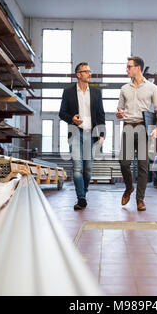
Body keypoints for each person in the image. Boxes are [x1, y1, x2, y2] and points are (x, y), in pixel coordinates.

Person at [116, 56, 157, 211]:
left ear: (138, 68)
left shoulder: (152, 88)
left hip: (144, 128)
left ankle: (140, 199)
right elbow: (120, 109)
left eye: (129, 67)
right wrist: (119, 114)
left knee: (143, 166)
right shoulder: (124, 89)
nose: (127, 69)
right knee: (124, 162)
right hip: (128, 127)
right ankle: (129, 187)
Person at [59, 62, 106, 210]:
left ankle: (83, 193)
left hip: (91, 134)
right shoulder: (68, 92)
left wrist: (102, 133)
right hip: (75, 132)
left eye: (90, 71)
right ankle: (81, 198)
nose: (89, 74)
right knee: (77, 167)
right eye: (86, 71)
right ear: (78, 74)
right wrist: (71, 118)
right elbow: (62, 113)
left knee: (88, 169)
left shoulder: (96, 93)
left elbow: (101, 114)